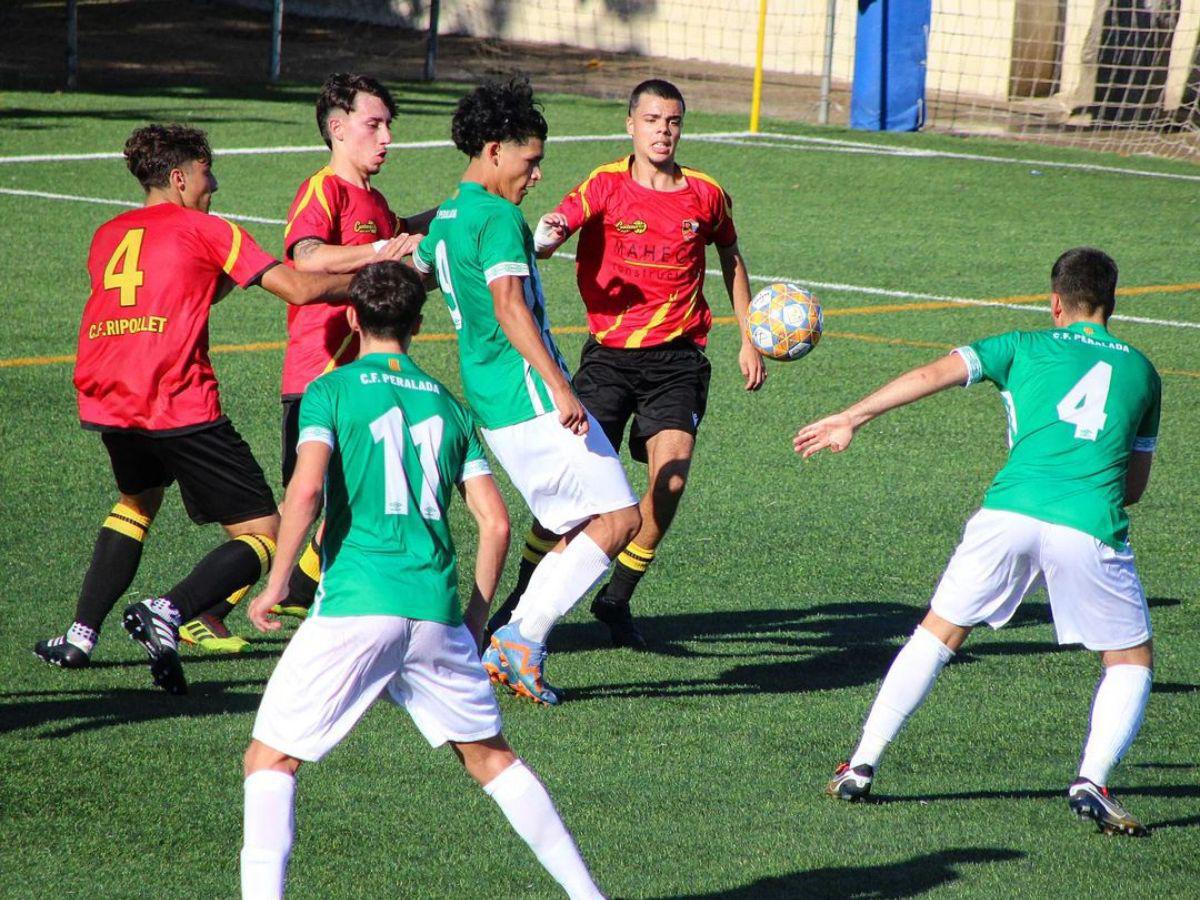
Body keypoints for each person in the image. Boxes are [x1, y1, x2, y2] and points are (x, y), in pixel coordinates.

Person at [239, 261, 604, 900]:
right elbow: (494, 524)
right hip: (434, 610)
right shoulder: (450, 407)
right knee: (491, 759)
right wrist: (476, 619)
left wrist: (275, 582)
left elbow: (305, 490)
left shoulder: (332, 390)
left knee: (271, 760)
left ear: (352, 317)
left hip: (357, 603)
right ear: (417, 324)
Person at [796, 248, 1161, 837]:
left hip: (1008, 512)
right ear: (1111, 304)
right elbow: (1135, 488)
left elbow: (930, 375)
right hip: (1090, 521)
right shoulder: (1143, 372)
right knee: (1129, 660)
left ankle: (861, 763)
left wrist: (852, 417)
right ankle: (1091, 779)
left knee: (938, 633)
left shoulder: (1020, 345)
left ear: (1055, 303)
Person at [33, 123, 352, 693]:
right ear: (179, 178)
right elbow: (301, 290)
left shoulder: (107, 234)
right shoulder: (209, 229)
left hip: (108, 397)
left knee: (137, 500)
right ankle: (169, 609)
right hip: (176, 398)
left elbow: (183, 289)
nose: (215, 184)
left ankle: (81, 634)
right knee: (266, 533)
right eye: (207, 173)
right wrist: (382, 279)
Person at [488, 78, 765, 649]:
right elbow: (561, 220)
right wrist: (549, 234)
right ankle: (524, 593)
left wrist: (749, 335)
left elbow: (730, 253)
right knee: (575, 490)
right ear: (631, 126)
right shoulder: (607, 184)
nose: (663, 131)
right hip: (609, 360)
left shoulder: (706, 193)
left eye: (673, 122)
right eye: (653, 120)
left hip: (679, 360)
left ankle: (616, 596)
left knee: (671, 480)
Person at [412, 77, 641, 705]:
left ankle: (511, 642)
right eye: (530, 160)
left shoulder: (451, 214)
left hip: (493, 400)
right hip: (530, 396)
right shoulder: (497, 217)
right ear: (494, 150)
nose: (536, 174)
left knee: (580, 526)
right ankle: (519, 641)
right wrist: (561, 387)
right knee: (621, 519)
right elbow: (510, 307)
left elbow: (415, 277)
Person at [272, 73, 426, 624]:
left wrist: (462, 211)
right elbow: (308, 258)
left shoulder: (378, 202)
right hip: (319, 378)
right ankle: (205, 604)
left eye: (389, 126)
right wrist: (382, 249)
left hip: (371, 379)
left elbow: (403, 236)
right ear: (338, 129)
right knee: (302, 504)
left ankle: (322, 599)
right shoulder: (325, 189)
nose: (386, 138)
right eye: (374, 125)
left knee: (361, 499)